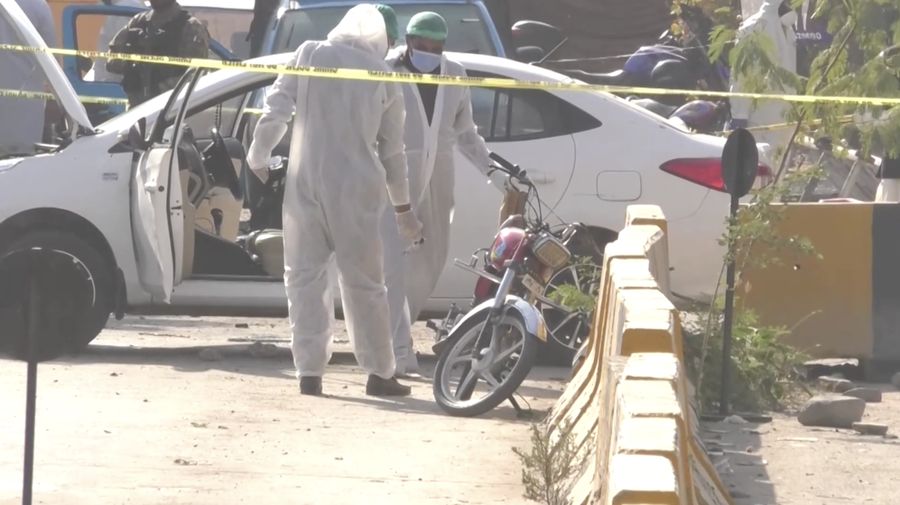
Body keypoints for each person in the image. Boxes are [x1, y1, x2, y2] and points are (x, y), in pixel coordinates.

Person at [245, 4, 422, 397]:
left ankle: (309, 372)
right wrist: (403, 207)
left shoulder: (309, 53)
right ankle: (379, 374)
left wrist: (258, 156)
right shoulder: (383, 75)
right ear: (381, 38)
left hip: (304, 181)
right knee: (365, 284)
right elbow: (394, 153)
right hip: (358, 190)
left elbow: (276, 106)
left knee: (303, 278)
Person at [381, 11, 511, 376]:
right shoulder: (386, 69)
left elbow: (465, 130)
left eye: (436, 47)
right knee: (392, 265)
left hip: (438, 174)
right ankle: (396, 350)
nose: (429, 53)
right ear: (408, 42)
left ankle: (398, 334)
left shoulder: (454, 72)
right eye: (422, 46)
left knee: (431, 258)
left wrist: (492, 170)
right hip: (395, 173)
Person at [106, 0, 209, 107]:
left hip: (171, 109)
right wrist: (130, 65)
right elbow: (112, 57)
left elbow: (197, 74)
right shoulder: (138, 22)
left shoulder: (190, 26)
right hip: (136, 107)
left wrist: (161, 87)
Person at [729, 0, 798, 156]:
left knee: (778, 170)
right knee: (758, 168)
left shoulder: (787, 28)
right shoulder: (752, 28)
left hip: (784, 118)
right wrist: (740, 115)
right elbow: (741, 76)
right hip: (759, 118)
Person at [0, 0, 55, 157]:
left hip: (25, 105)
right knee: (20, 167)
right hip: (25, 107)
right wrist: (56, 99)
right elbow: (52, 60)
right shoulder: (38, 6)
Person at [88, 0, 145, 83]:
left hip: (113, 84)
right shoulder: (120, 8)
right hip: (109, 81)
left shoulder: (123, 9)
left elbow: (123, 51)